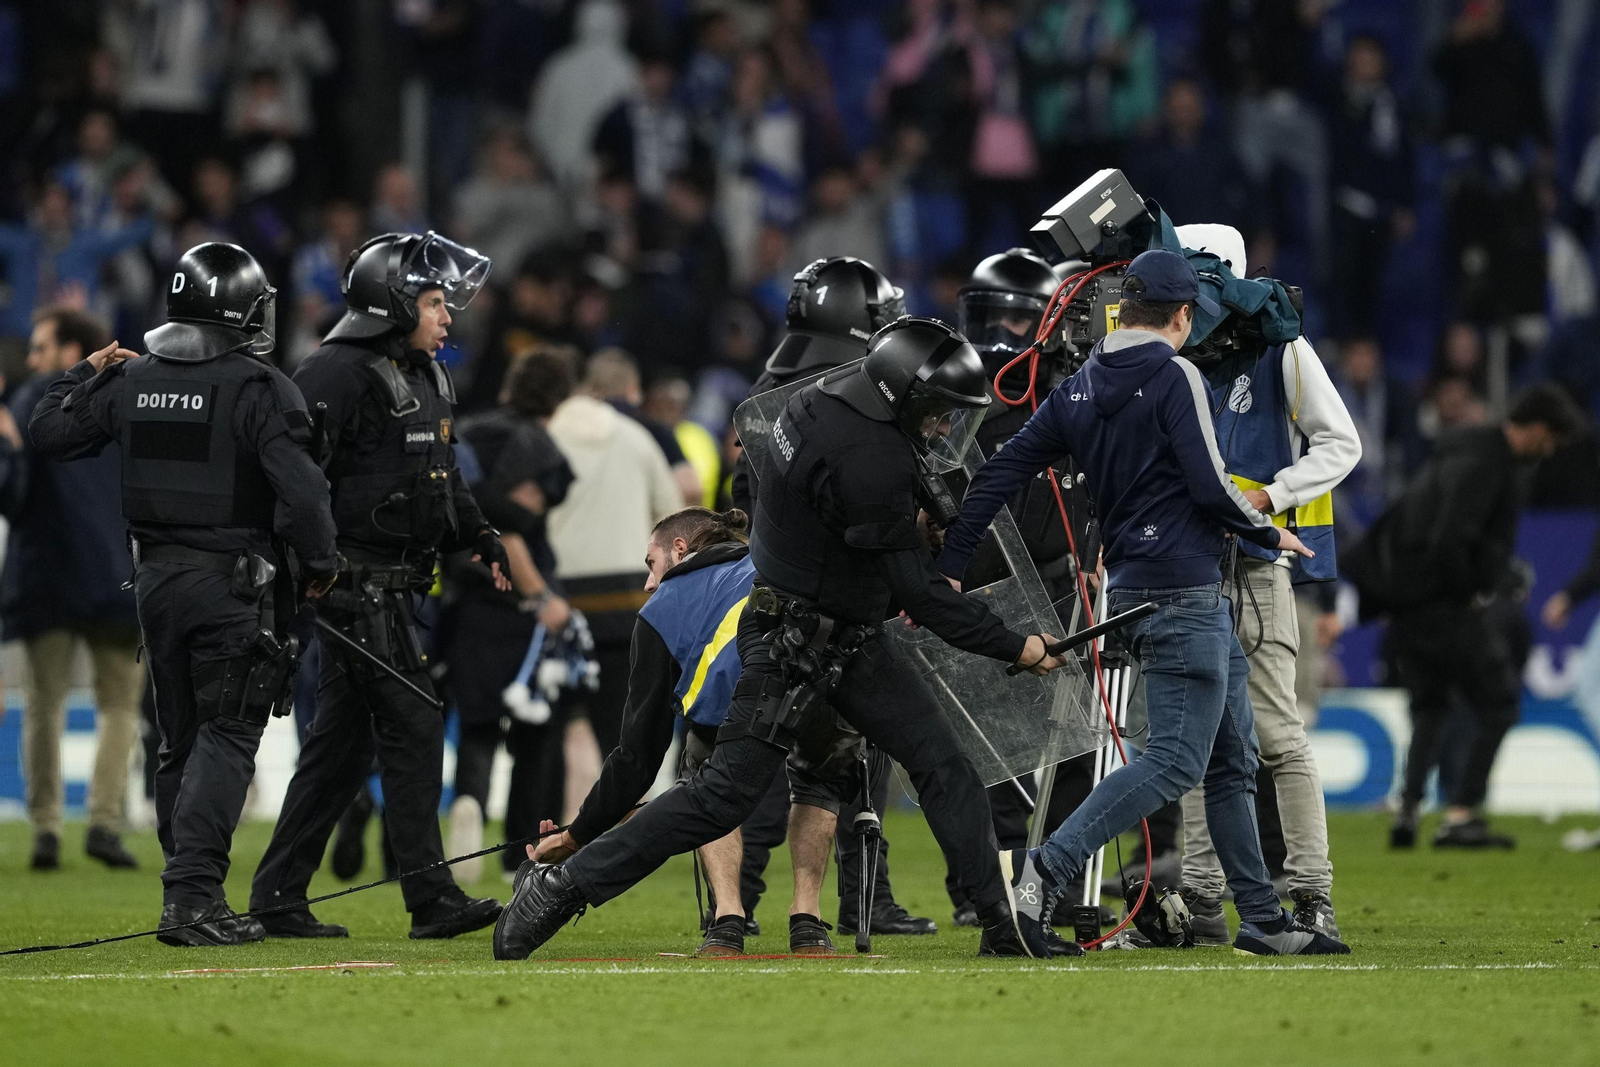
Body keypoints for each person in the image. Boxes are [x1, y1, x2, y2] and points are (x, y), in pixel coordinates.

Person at [495, 318, 1073, 961]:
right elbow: (922, 598)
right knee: (723, 797)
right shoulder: (875, 457)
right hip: (793, 641)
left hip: (829, 628)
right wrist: (1018, 646)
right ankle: (560, 889)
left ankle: (1001, 922)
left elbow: (841, 530)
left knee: (941, 764)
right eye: (937, 412)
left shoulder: (817, 401)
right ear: (903, 395)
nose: (941, 429)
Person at [939, 249, 1347, 956]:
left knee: (1231, 758)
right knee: (1177, 761)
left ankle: (1262, 918)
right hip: (1186, 590)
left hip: (1133, 587)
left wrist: (950, 564)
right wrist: (1267, 529)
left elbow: (999, 472)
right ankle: (1042, 873)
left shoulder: (1079, 387)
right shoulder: (1176, 375)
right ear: (1183, 315)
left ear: (1123, 310)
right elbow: (1209, 484)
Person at [29, 242, 341, 946]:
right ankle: (194, 898)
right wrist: (320, 564)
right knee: (228, 735)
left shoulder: (130, 379)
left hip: (155, 584)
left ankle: (187, 890)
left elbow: (47, 433)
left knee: (180, 739)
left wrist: (81, 370)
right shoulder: (260, 387)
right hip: (232, 583)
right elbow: (304, 494)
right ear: (241, 310)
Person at [249, 231, 510, 939]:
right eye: (433, 302)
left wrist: (480, 535)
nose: (447, 316)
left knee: (341, 746)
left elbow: (442, 478)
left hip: (397, 586)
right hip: (351, 585)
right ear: (392, 304)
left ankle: (276, 895)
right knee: (416, 720)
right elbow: (290, 479)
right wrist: (311, 568)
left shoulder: (427, 374)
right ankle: (430, 896)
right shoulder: (332, 373)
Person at [531, 505, 851, 956]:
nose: (648, 582)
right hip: (819, 686)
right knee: (819, 777)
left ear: (679, 549)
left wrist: (575, 835)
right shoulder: (775, 559)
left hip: (736, 706)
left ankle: (727, 919)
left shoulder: (662, 608)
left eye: (651, 563)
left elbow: (637, 756)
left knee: (706, 778)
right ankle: (807, 921)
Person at [731, 256, 937, 940]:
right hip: (837, 601)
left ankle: (739, 903)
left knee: (768, 751)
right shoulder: (856, 396)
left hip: (774, 596)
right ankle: (864, 902)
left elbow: (742, 497)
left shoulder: (769, 389)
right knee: (841, 760)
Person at [1173, 222, 1362, 942]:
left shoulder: (1283, 346)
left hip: (1255, 566)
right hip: (1186, 565)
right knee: (1195, 741)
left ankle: (1311, 892)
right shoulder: (1171, 350)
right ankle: (1202, 900)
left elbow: (1342, 442)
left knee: (1276, 735)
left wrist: (1272, 494)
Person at [1344, 384, 1585, 851]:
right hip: (1444, 603)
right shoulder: (1488, 464)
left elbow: (1414, 520)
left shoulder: (1460, 450)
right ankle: (1461, 814)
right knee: (1500, 701)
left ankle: (1409, 809)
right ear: (1538, 428)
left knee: (1431, 706)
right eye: (1552, 439)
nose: (1551, 450)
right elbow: (1451, 538)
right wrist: (1473, 590)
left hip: (1409, 602)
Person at [3, 307, 145, 872]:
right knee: (120, 706)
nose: (32, 359)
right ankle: (105, 824)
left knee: (45, 704)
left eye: (40, 347)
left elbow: (12, 493)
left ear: (70, 352)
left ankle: (46, 827)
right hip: (117, 574)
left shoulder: (31, 400)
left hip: (47, 576)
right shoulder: (129, 399)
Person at [446, 348, 577, 882]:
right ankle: (519, 851)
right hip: (522, 604)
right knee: (535, 734)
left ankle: (470, 803)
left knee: (477, 725)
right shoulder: (541, 448)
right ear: (559, 397)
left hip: (467, 598)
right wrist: (542, 597)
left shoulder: (468, 433)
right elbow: (516, 527)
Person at [545, 353, 683, 759]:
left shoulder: (547, 434)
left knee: (551, 735)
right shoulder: (637, 437)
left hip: (557, 600)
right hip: (627, 599)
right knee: (621, 733)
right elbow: (674, 517)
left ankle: (554, 802)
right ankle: (618, 800)